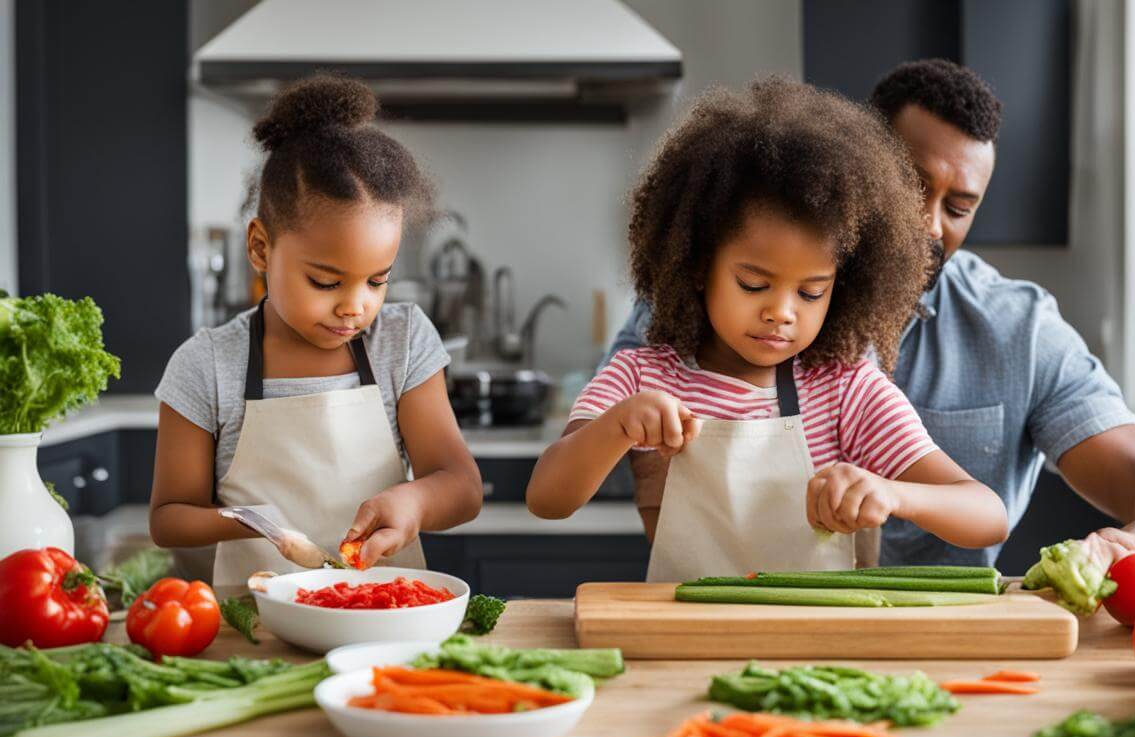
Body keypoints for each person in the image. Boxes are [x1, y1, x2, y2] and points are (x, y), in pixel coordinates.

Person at [609, 60, 1135, 590]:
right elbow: (616, 471)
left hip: (955, 643)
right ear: (855, 163)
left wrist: (1126, 544)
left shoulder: (1019, 328)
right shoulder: (703, 304)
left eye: (960, 205)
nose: (928, 226)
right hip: (741, 616)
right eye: (911, 186)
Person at [526, 78, 1007, 582]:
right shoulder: (639, 377)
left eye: (811, 292)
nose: (782, 312)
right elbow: (547, 500)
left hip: (818, 647)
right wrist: (616, 426)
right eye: (754, 284)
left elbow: (986, 515)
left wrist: (894, 493)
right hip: (688, 644)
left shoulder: (846, 391)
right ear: (696, 265)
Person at [149, 75, 483, 588]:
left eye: (378, 280)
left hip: (382, 609)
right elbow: (169, 517)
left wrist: (413, 500)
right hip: (255, 623)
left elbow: (462, 487)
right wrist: (252, 520)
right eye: (325, 282)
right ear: (261, 248)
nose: (355, 306)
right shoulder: (208, 363)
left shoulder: (402, 340)